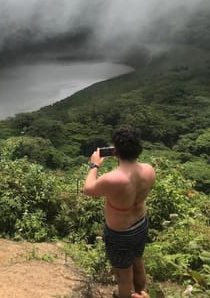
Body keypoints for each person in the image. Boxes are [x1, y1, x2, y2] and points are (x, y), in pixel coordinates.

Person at [83, 125, 155, 298]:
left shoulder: (114, 178)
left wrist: (94, 165)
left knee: (124, 276)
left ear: (116, 151)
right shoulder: (149, 170)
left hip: (120, 233)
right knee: (138, 261)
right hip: (141, 224)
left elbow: (88, 189)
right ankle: (140, 292)